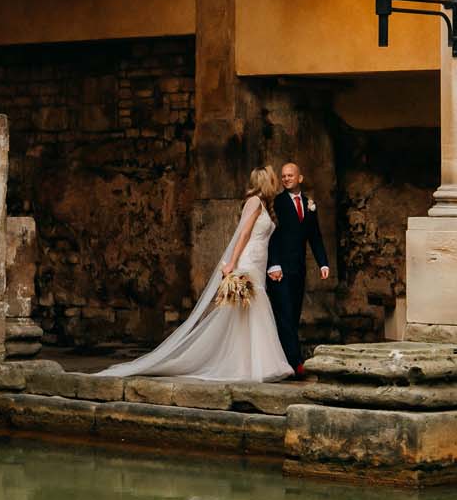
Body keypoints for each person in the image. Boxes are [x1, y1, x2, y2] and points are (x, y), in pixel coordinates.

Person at [97, 167, 292, 383]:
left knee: (249, 311)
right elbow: (243, 233)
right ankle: (255, 365)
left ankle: (252, 363)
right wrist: (233, 263)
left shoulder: (266, 205)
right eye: (273, 178)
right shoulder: (255, 201)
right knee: (248, 307)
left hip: (259, 262)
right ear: (266, 181)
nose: (276, 182)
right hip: (248, 261)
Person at [266, 161, 330, 374]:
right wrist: (273, 264)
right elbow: (271, 235)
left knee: (293, 315)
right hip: (279, 270)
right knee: (284, 314)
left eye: (290, 175)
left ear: (300, 178)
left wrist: (323, 263)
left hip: (299, 269)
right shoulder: (277, 202)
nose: (286, 179)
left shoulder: (309, 204)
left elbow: (315, 236)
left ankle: (284, 361)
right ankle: (296, 362)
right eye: (283, 176)